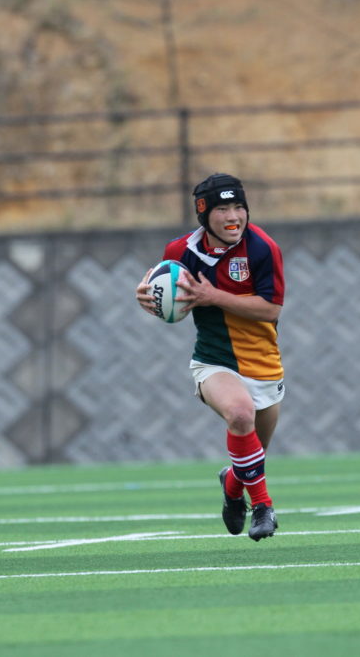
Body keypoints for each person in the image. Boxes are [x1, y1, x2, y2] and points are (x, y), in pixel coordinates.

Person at [135, 173, 285, 541]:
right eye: (222, 209)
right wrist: (148, 298)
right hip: (214, 361)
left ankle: (232, 485)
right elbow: (163, 290)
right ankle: (263, 507)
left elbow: (270, 309)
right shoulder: (179, 252)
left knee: (253, 456)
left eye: (239, 207)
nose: (233, 217)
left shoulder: (263, 248)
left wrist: (213, 296)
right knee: (240, 414)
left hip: (264, 365)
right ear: (204, 214)